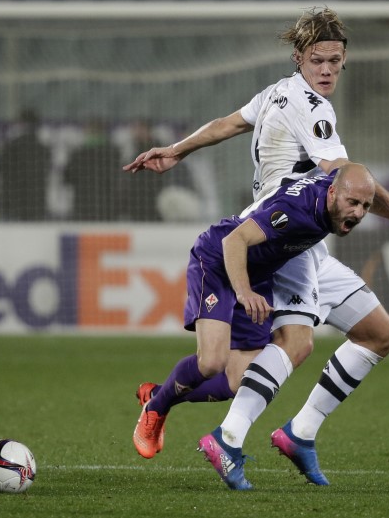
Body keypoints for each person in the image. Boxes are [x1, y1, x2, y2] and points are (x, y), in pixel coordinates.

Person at [124, 7, 389, 490]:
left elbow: (226, 124)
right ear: (299, 58)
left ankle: (299, 432)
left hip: (306, 242)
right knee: (291, 345)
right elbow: (343, 178)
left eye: (335, 61)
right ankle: (227, 438)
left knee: (377, 334)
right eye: (317, 60)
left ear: (344, 61)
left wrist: (178, 150)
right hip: (281, 240)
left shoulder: (275, 93)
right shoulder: (313, 108)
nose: (326, 70)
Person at [133, 164, 375, 468]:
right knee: (211, 363)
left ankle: (159, 393)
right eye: (353, 203)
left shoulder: (335, 190)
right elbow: (233, 241)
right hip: (218, 264)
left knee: (236, 383)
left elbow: (349, 175)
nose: (360, 212)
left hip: (255, 278)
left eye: (366, 206)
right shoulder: (294, 210)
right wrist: (244, 292)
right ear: (332, 193)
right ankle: (157, 407)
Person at [0, 109, 51, 221]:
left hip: (12, 207)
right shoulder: (43, 150)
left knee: (10, 238)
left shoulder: (10, 147)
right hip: (35, 209)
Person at [64, 118, 122, 221]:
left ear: (87, 131)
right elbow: (119, 179)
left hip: (83, 207)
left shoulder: (78, 154)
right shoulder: (114, 153)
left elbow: (67, 178)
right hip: (108, 207)